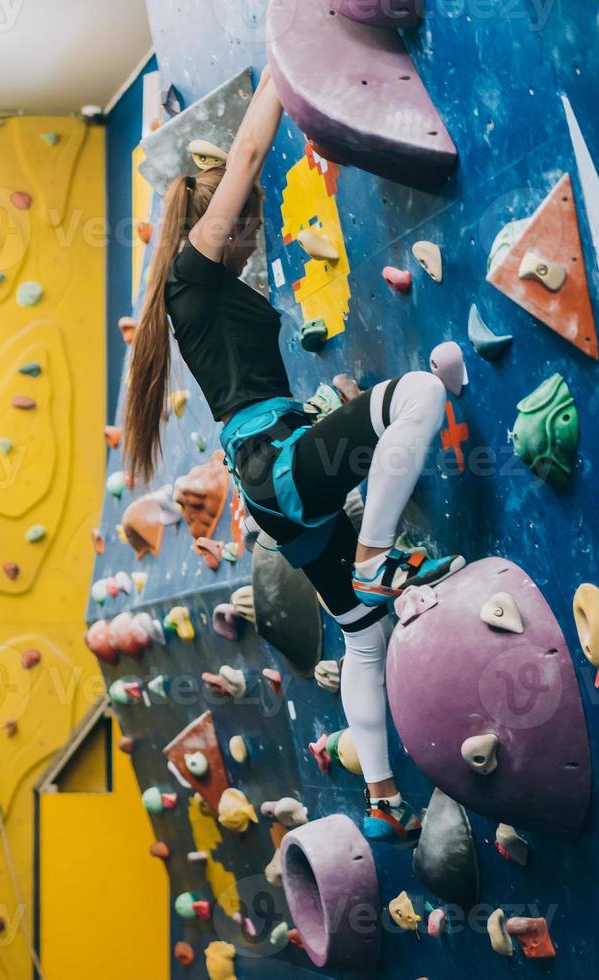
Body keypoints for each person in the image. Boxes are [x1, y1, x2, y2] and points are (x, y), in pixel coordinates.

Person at [121, 67, 463, 845]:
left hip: (271, 483)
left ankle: (381, 800)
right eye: (243, 221)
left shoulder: (200, 295)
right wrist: (285, 61)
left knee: (365, 636)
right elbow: (243, 155)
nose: (253, 228)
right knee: (417, 397)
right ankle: (376, 556)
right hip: (274, 462)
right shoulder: (191, 276)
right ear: (219, 225)